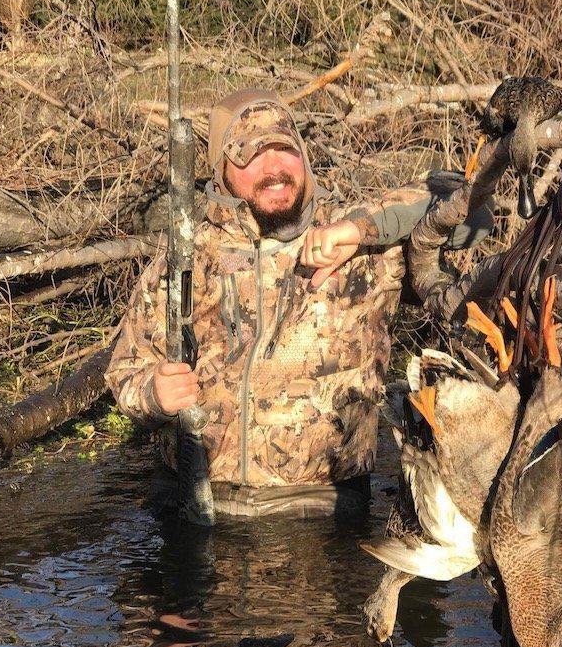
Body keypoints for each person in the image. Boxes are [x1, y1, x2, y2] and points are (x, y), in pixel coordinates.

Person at [105, 87, 492, 518]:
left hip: (320, 515)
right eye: (250, 154)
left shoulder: (363, 250)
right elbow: (125, 369)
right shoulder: (186, 258)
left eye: (286, 151)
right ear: (221, 173)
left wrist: (359, 229)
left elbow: (473, 210)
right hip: (193, 504)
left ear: (305, 161)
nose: (274, 168)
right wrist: (152, 393)